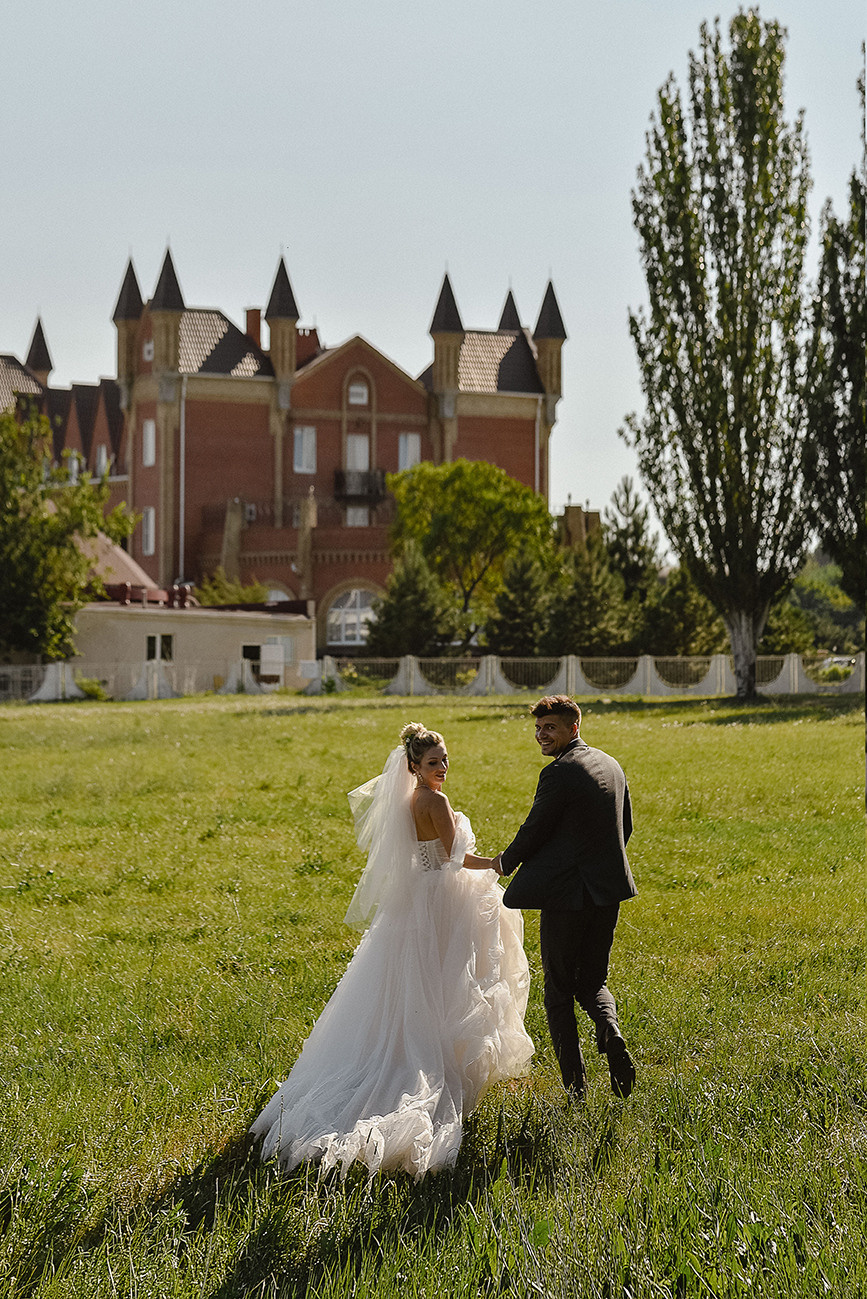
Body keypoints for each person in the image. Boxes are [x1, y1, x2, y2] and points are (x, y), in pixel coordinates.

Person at [250, 723, 533, 1179]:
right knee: (448, 978)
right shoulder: (435, 800)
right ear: (414, 767)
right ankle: (429, 1062)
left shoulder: (409, 799)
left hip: (418, 896)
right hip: (442, 895)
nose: (442, 769)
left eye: (444, 760)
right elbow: (453, 856)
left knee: (411, 982)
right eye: (432, 763)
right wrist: (503, 862)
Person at [489, 695, 636, 1100]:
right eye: (538, 728)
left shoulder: (559, 773)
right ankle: (610, 1030)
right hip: (608, 892)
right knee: (592, 980)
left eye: (549, 728)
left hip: (568, 897)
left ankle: (576, 1088)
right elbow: (625, 828)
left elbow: (535, 827)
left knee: (557, 990)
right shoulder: (611, 764)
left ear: (574, 727)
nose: (541, 735)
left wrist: (504, 862)